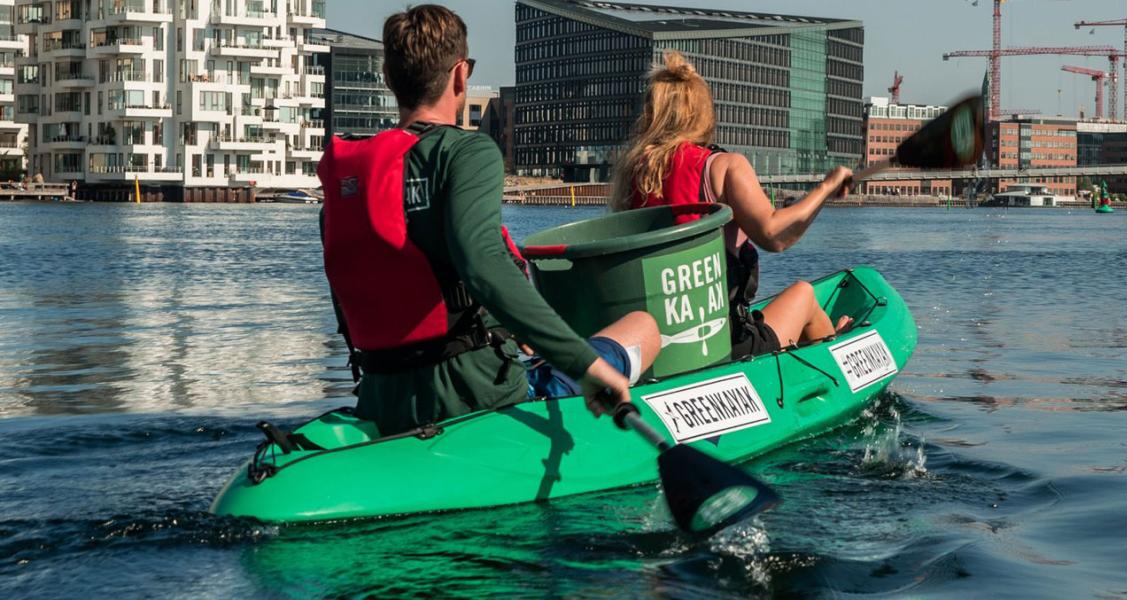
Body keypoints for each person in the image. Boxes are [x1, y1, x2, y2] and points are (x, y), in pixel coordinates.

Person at [317, 5, 658, 437]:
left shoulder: (350, 177)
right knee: (642, 327)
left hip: (382, 397)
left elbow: (352, 293)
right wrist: (585, 366)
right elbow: (481, 262)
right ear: (461, 75)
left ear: (388, 78)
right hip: (473, 395)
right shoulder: (466, 152)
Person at [610, 51, 854, 360]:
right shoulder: (725, 168)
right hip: (721, 341)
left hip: (658, 344)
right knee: (804, 295)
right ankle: (834, 354)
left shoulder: (633, 174)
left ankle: (817, 345)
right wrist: (827, 187)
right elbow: (774, 235)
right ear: (702, 112)